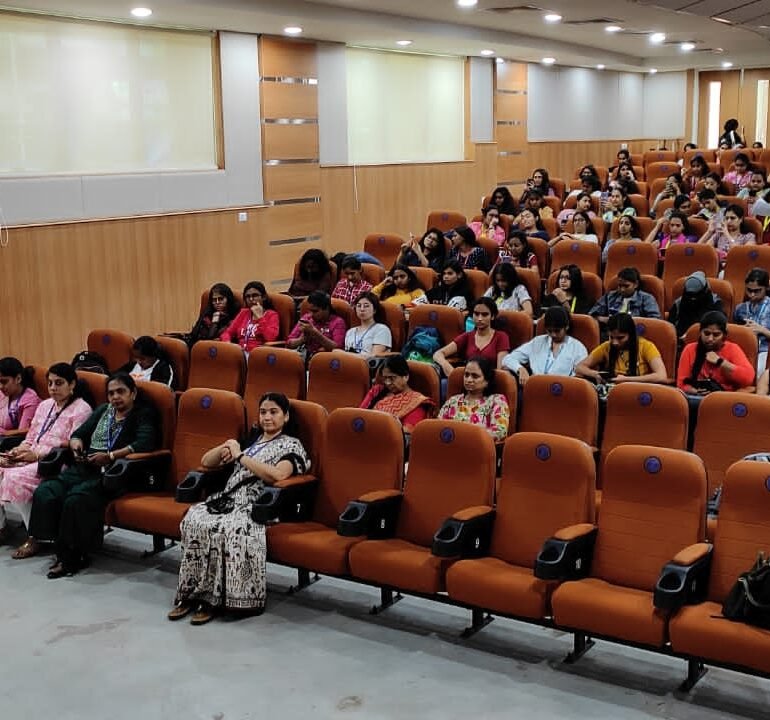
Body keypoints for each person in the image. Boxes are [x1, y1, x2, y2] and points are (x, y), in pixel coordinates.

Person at [169, 392, 310, 624]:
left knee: (228, 529)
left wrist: (241, 456)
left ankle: (217, 599)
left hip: (259, 503)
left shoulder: (291, 445)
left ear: (285, 416)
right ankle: (192, 593)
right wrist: (227, 446)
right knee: (195, 519)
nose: (267, 417)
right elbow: (206, 461)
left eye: (273, 412)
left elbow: (278, 475)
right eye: (263, 412)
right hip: (229, 498)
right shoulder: (250, 441)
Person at [26, 372, 159, 576]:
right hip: (86, 466)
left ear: (133, 393)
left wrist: (111, 456)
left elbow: (145, 442)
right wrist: (76, 445)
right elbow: (78, 434)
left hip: (116, 473)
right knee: (48, 490)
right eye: (111, 393)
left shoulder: (143, 413)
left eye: (121, 392)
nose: (115, 397)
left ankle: (73, 557)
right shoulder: (103, 410)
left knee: (76, 500)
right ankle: (50, 542)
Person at [0, 363, 92, 551]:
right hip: (31, 456)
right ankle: (1, 527)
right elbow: (31, 437)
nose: (53, 388)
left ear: (72, 384)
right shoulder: (45, 405)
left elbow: (71, 444)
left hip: (56, 462)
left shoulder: (82, 409)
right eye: (50, 383)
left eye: (59, 383)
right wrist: (18, 451)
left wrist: (36, 455)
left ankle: (36, 535)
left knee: (14, 478)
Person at [502, 306, 588, 384]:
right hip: (535, 387)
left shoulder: (577, 348)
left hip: (562, 389)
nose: (553, 335)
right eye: (549, 331)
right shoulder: (537, 342)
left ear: (566, 327)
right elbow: (507, 359)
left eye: (557, 331)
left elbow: (579, 377)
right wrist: (520, 369)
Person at [577, 313, 667, 385]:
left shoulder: (646, 346)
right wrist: (596, 374)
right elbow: (579, 367)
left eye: (620, 338)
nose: (615, 342)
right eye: (611, 337)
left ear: (631, 334)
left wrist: (627, 380)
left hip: (639, 390)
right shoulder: (607, 346)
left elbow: (661, 376)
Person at [677, 311, 754, 394]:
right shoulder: (690, 349)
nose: (710, 339)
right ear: (700, 332)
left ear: (724, 335)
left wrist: (721, 362)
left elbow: (748, 379)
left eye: (716, 335)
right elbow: (681, 383)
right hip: (695, 397)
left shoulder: (733, 349)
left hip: (724, 397)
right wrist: (695, 392)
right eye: (706, 333)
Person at [438, 357, 510, 442]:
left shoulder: (497, 401)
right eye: (466, 375)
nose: (469, 380)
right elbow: (439, 427)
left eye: (475, 376)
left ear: (487, 381)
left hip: (479, 447)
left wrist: (467, 437)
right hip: (450, 446)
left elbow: (500, 432)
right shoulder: (453, 401)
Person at [433, 298, 511, 376]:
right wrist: (447, 367)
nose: (480, 319)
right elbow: (438, 354)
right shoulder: (467, 336)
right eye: (476, 314)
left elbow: (501, 371)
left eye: (484, 315)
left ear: (492, 316)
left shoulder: (501, 336)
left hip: (489, 379)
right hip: (468, 378)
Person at [359, 356, 433, 433]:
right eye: (385, 378)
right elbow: (360, 415)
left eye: (392, 378)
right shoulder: (377, 390)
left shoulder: (416, 402)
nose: (388, 383)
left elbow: (407, 433)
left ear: (406, 377)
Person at [220, 281, 280, 353]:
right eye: (248, 296)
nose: (251, 299)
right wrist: (227, 342)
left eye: (255, 295)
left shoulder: (272, 315)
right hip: (240, 353)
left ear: (263, 297)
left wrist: (260, 318)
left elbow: (270, 338)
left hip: (259, 354)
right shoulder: (243, 313)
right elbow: (227, 333)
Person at [286, 291, 347, 360]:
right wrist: (302, 339)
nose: (311, 314)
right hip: (304, 357)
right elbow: (288, 343)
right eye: (309, 310)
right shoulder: (306, 318)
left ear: (326, 309)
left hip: (326, 360)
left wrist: (315, 333)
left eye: (315, 311)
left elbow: (338, 349)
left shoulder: (338, 322)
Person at [589, 267, 661, 326]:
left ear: (636, 284)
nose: (622, 289)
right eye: (620, 286)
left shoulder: (646, 298)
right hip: (610, 333)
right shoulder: (610, 296)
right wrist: (603, 319)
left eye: (626, 286)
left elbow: (655, 321)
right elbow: (592, 316)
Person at [668, 271, 723, 341]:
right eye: (690, 295)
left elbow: (719, 328)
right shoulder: (678, 303)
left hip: (706, 341)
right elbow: (670, 327)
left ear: (705, 290)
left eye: (697, 295)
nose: (693, 299)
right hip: (679, 340)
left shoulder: (715, 303)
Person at [733, 268, 770, 373]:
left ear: (766, 288)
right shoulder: (740, 308)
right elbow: (732, 332)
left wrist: (762, 330)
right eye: (749, 290)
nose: (752, 294)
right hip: (743, 348)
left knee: (759, 370)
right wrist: (742, 330)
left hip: (764, 350)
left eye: (757, 291)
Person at [0, 358, 41, 439]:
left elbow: (21, 432)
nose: (0, 387)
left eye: (4, 382)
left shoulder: (30, 399)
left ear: (18, 379)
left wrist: (6, 433)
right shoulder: (1, 394)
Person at [344, 292, 392, 358]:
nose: (362, 309)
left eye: (366, 306)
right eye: (359, 306)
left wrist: (343, 354)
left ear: (374, 310)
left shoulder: (382, 329)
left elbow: (374, 357)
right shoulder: (350, 332)